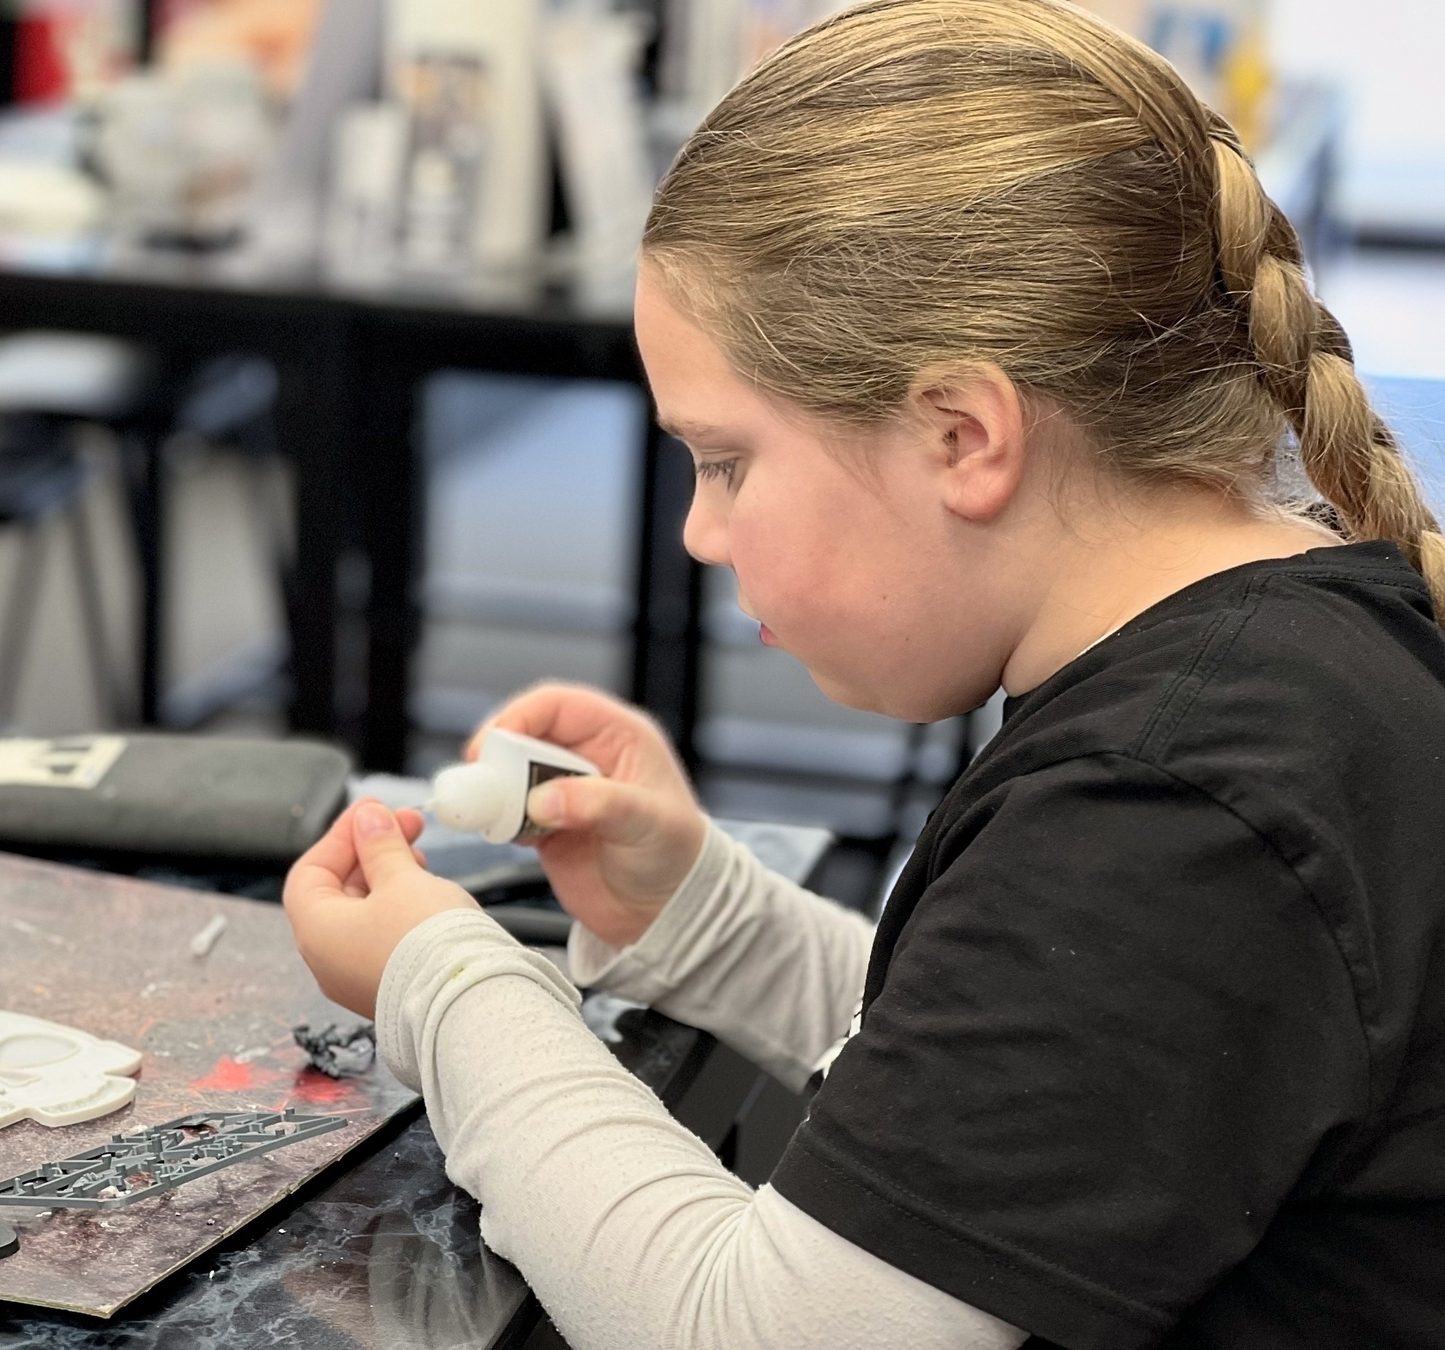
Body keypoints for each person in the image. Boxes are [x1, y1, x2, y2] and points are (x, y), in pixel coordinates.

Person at [283, 1, 1445, 1345]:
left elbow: (755, 1330)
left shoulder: (1177, 807)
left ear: (963, 433)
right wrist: (707, 916)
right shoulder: (1269, 667)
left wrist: (445, 981)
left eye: (726, 461)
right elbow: (1027, 1079)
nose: (698, 532)